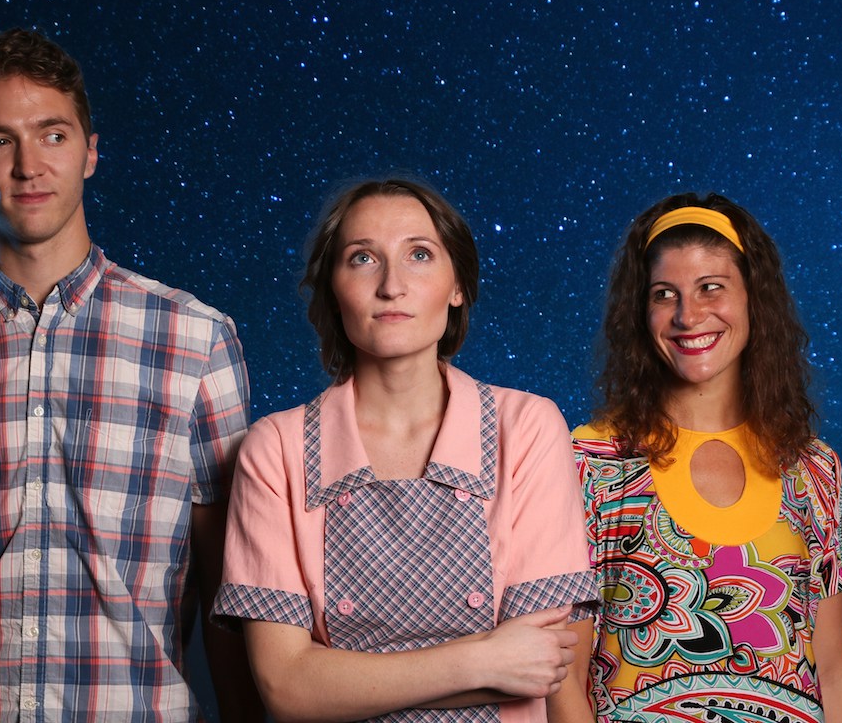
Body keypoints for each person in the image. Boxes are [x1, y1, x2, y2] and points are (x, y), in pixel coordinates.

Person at [0, 27, 260, 722]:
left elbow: (226, 588)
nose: (29, 164)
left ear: (92, 152)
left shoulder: (198, 341)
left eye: (53, 135)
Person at [213, 177, 598, 721]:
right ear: (332, 289)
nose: (392, 285)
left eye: (419, 254)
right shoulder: (276, 448)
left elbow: (546, 670)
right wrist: (484, 662)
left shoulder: (527, 426)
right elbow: (287, 689)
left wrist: (347, 676)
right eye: (363, 258)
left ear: (457, 285)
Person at [571, 192, 842, 722]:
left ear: (754, 298)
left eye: (712, 287)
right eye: (665, 294)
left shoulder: (815, 469)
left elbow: (836, 669)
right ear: (641, 314)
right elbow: (563, 680)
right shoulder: (589, 462)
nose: (689, 315)